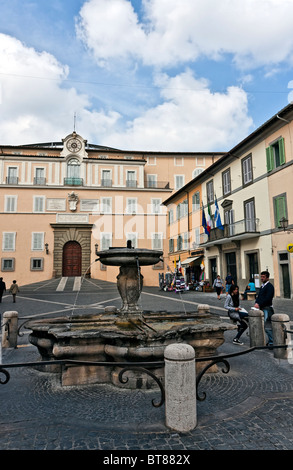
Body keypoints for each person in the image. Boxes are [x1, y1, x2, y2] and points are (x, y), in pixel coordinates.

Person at [254, 271, 274, 346]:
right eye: (261, 277)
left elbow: (268, 298)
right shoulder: (262, 286)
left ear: (267, 278)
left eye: (263, 277)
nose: (261, 278)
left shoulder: (270, 286)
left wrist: (259, 304)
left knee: (267, 326)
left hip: (267, 308)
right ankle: (270, 341)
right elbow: (259, 296)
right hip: (262, 307)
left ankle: (272, 342)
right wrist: (256, 303)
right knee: (264, 325)